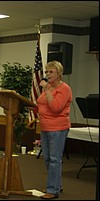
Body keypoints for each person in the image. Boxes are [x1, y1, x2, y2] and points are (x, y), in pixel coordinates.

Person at [32, 61, 72, 199]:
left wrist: (47, 90)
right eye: (47, 72)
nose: (48, 75)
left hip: (58, 128)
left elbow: (56, 108)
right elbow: (41, 104)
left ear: (59, 74)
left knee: (55, 159)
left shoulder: (64, 89)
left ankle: (52, 190)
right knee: (48, 158)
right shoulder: (47, 88)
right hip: (45, 127)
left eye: (51, 72)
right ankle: (56, 185)